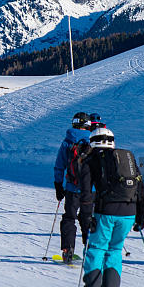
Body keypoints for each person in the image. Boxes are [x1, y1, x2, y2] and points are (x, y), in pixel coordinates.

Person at [78, 126, 144, 287]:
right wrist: (141, 215)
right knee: (115, 250)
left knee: (96, 248)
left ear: (92, 142)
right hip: (129, 213)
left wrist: (85, 218)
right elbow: (140, 188)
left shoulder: (90, 160)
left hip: (105, 212)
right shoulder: (126, 159)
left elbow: (85, 193)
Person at [53, 112, 93, 263]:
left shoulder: (67, 141)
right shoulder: (94, 141)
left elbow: (59, 166)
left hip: (72, 188)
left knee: (69, 218)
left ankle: (67, 249)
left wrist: (58, 185)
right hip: (90, 190)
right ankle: (90, 250)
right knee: (88, 218)